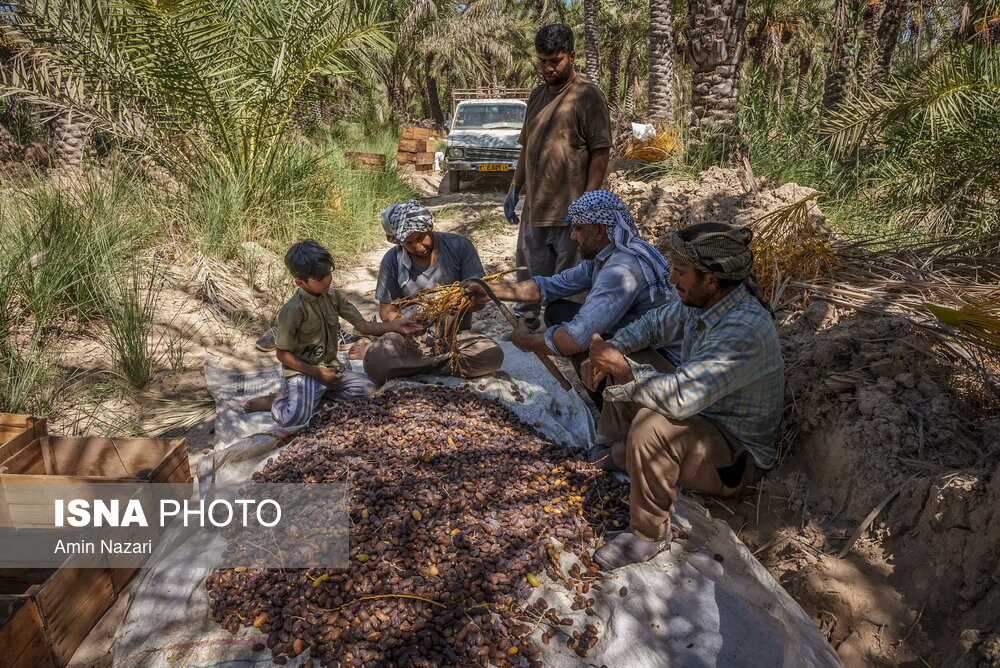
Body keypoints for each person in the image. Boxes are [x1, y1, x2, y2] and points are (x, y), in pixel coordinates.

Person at [582, 223, 785, 570]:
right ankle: (617, 450)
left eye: (680, 272)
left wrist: (622, 368)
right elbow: (652, 325)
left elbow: (680, 399)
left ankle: (649, 533)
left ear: (712, 280)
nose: (672, 279)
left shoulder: (743, 329)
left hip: (733, 454)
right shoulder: (702, 302)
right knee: (632, 360)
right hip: (701, 416)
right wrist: (612, 350)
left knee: (652, 424)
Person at [466, 190, 678, 408]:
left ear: (598, 230)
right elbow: (549, 286)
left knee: (583, 342)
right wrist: (490, 290)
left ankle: (616, 408)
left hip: (662, 364)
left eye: (577, 228)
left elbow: (574, 339)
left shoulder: (621, 270)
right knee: (557, 311)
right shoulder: (606, 255)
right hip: (637, 339)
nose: (572, 236)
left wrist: (527, 341)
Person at [244, 240, 424, 426]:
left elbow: (362, 326)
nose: (328, 280)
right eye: (320, 278)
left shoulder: (335, 297)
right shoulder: (292, 310)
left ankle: (320, 393)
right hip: (304, 371)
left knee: (368, 390)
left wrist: (397, 326)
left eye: (329, 274)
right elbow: (282, 354)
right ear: (300, 282)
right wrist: (318, 374)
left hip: (330, 368)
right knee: (294, 418)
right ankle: (276, 400)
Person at [504, 23, 612, 327]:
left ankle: (565, 332)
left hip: (571, 214)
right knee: (530, 271)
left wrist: (588, 204)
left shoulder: (587, 96)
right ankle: (527, 324)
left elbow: (601, 152)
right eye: (542, 61)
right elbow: (526, 147)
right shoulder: (536, 96)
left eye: (555, 61)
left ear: (572, 56)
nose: (548, 68)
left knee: (569, 282)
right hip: (535, 211)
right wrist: (515, 186)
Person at [359, 200, 504, 385]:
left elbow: (480, 299)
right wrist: (407, 321)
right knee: (377, 363)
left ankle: (414, 368)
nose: (418, 247)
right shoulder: (392, 260)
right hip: (413, 341)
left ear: (429, 227)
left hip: (456, 338)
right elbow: (387, 313)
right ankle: (434, 365)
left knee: (492, 355)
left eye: (421, 238)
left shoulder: (460, 246)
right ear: (399, 241)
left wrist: (464, 305)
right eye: (408, 243)